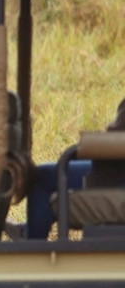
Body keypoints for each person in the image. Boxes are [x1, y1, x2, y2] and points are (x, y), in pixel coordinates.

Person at [24, 95, 125, 239]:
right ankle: (31, 230)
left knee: (42, 178)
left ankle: (32, 249)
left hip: (117, 176)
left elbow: (115, 142)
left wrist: (91, 146)